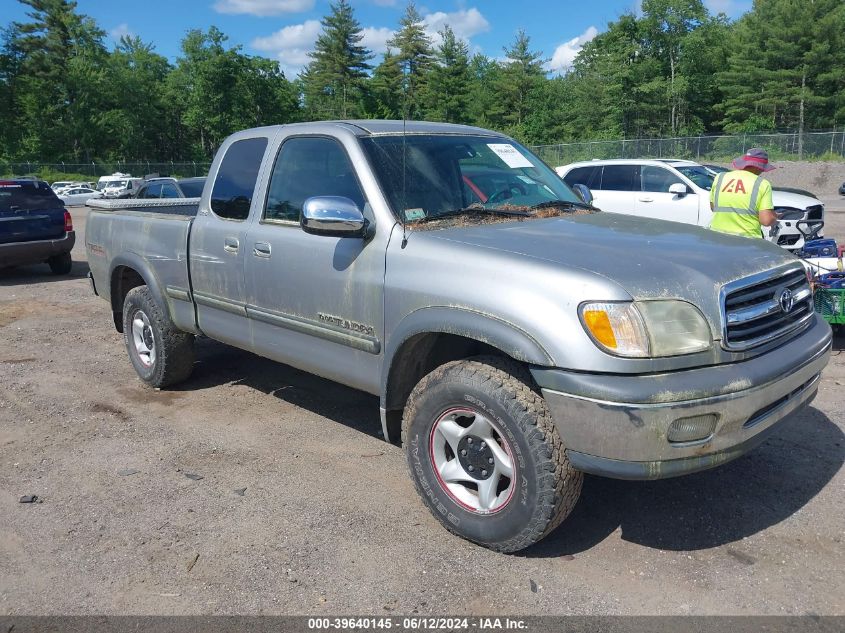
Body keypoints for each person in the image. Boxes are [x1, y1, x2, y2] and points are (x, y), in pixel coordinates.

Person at [709, 148, 778, 238]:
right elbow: (766, 221)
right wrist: (774, 216)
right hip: (747, 239)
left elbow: (713, 206)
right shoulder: (762, 184)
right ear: (759, 167)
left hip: (717, 235)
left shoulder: (720, 177)